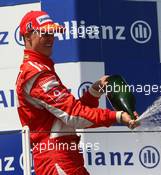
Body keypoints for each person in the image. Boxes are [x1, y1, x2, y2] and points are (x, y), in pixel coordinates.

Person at [16, 10, 138, 175]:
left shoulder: (42, 69)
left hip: (64, 156)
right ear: (28, 36)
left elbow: (67, 116)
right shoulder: (36, 73)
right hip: (55, 158)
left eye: (52, 33)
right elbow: (73, 116)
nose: (51, 38)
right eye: (45, 33)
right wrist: (117, 117)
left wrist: (94, 92)